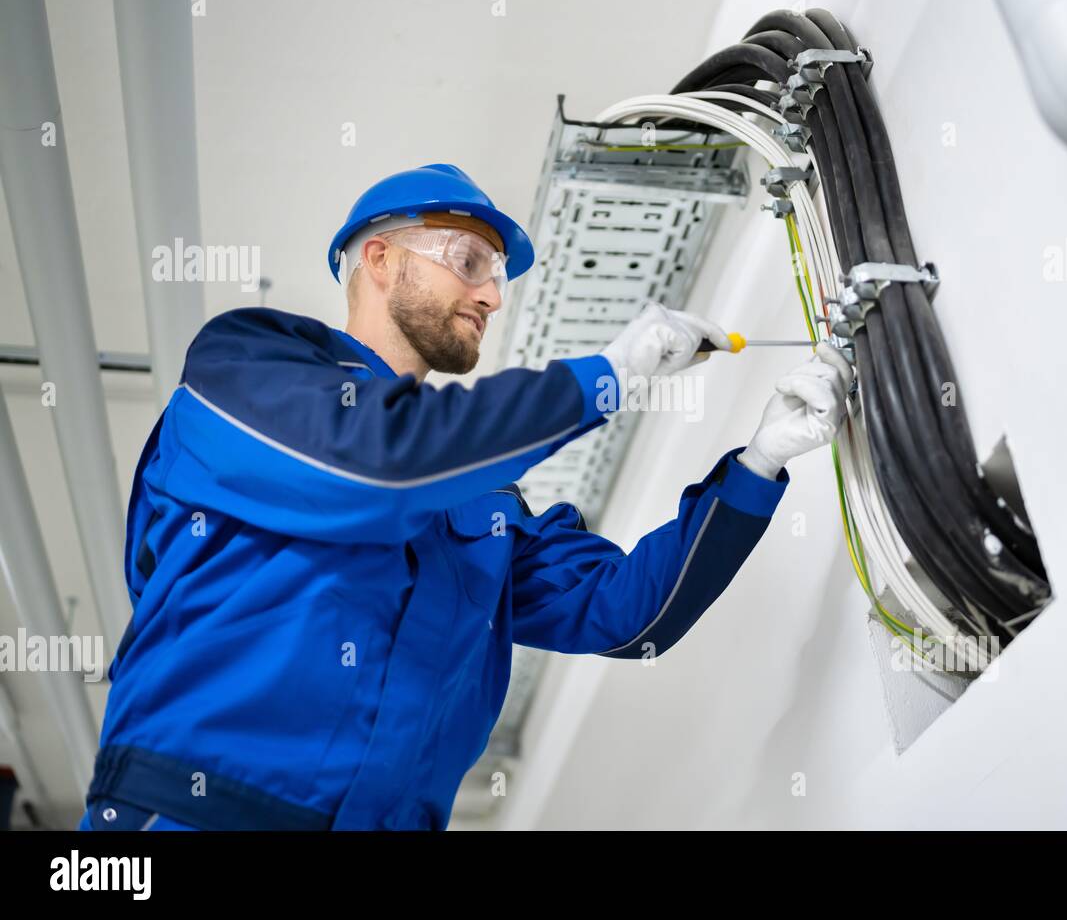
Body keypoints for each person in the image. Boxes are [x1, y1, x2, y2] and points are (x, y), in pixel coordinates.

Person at [78, 164, 851, 831]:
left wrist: (760, 460)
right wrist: (606, 377)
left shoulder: (481, 497)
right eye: (471, 261)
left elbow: (628, 616)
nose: (492, 295)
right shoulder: (249, 368)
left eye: (499, 277)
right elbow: (377, 466)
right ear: (379, 258)